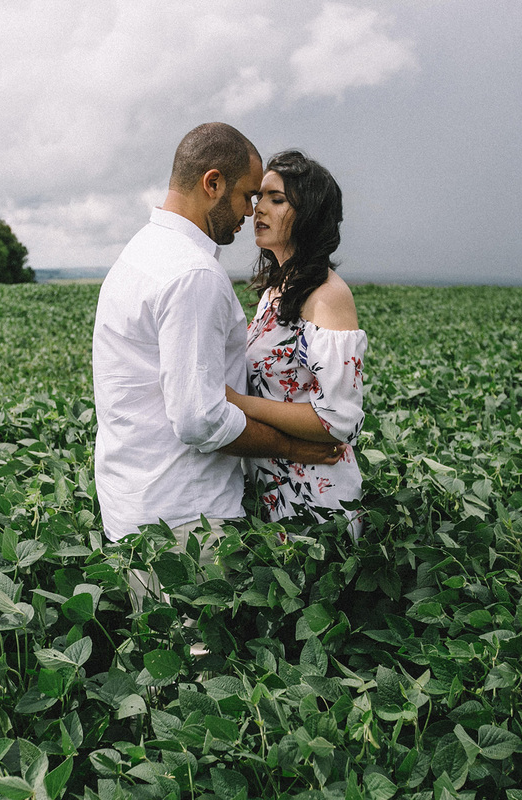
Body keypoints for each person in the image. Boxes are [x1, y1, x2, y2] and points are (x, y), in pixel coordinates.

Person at [92, 124, 342, 602]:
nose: (251, 213)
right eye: (248, 196)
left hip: (134, 509)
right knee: (203, 667)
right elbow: (200, 419)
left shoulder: (139, 253)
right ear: (212, 184)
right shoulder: (193, 274)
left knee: (163, 663)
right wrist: (292, 447)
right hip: (186, 524)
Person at [225, 150, 367, 538]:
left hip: (316, 501)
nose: (259, 210)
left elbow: (337, 420)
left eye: (277, 199)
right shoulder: (275, 289)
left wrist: (237, 403)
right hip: (270, 487)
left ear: (310, 214)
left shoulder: (327, 297)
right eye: (258, 199)